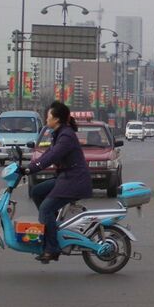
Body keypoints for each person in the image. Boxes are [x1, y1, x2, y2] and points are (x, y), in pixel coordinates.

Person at [25, 101, 93, 263]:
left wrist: (30, 170)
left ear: (56, 119)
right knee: (37, 192)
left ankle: (52, 248)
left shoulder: (66, 136)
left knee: (45, 209)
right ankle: (53, 228)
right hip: (66, 177)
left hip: (74, 180)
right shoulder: (58, 134)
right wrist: (29, 166)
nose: (46, 118)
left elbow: (52, 156)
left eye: (48, 116)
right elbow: (47, 154)